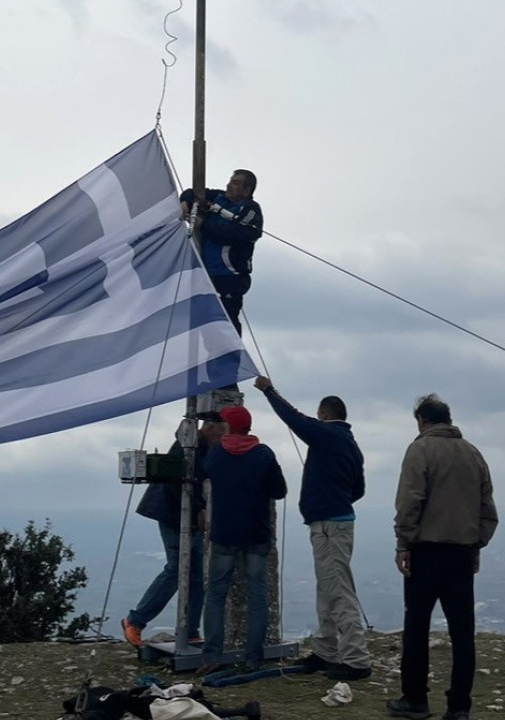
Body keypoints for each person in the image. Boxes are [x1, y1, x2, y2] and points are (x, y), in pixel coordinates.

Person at [252, 375, 371, 681]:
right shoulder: (351, 444)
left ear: (325, 415)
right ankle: (326, 651)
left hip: (329, 525)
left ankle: (356, 659)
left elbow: (293, 418)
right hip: (337, 521)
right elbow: (358, 490)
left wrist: (269, 391)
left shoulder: (327, 435)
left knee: (338, 590)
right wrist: (336, 498)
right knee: (328, 587)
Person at [388, 394, 498, 720]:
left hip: (426, 552)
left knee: (417, 627)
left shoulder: (420, 449)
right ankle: (459, 708)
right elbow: (486, 508)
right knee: (462, 633)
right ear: (448, 419)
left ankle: (415, 700)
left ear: (422, 420)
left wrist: (403, 543)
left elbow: (410, 501)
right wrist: (476, 545)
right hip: (462, 554)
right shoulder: (473, 453)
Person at [197, 405, 286, 674]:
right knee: (257, 595)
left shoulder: (217, 455)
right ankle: (253, 659)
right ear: (249, 427)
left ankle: (212, 656)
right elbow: (279, 491)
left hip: (224, 534)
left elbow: (203, 471)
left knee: (215, 594)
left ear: (227, 426)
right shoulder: (264, 455)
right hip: (256, 534)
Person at [121, 420, 225, 647]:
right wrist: (199, 508)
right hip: (171, 513)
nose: (224, 437)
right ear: (210, 428)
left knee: (196, 574)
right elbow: (177, 483)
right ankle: (135, 620)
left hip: (189, 516)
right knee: (178, 567)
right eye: (222, 431)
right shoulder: (188, 445)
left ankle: (190, 630)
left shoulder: (206, 447)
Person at [179, 170, 263, 336]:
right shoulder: (218, 197)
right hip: (205, 275)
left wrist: (203, 226)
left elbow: (237, 233)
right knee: (203, 328)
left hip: (230, 278)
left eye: (236, 183)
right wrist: (184, 202)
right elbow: (193, 193)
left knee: (226, 327)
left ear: (247, 190)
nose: (229, 185)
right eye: (231, 181)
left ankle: (231, 359)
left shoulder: (250, 210)